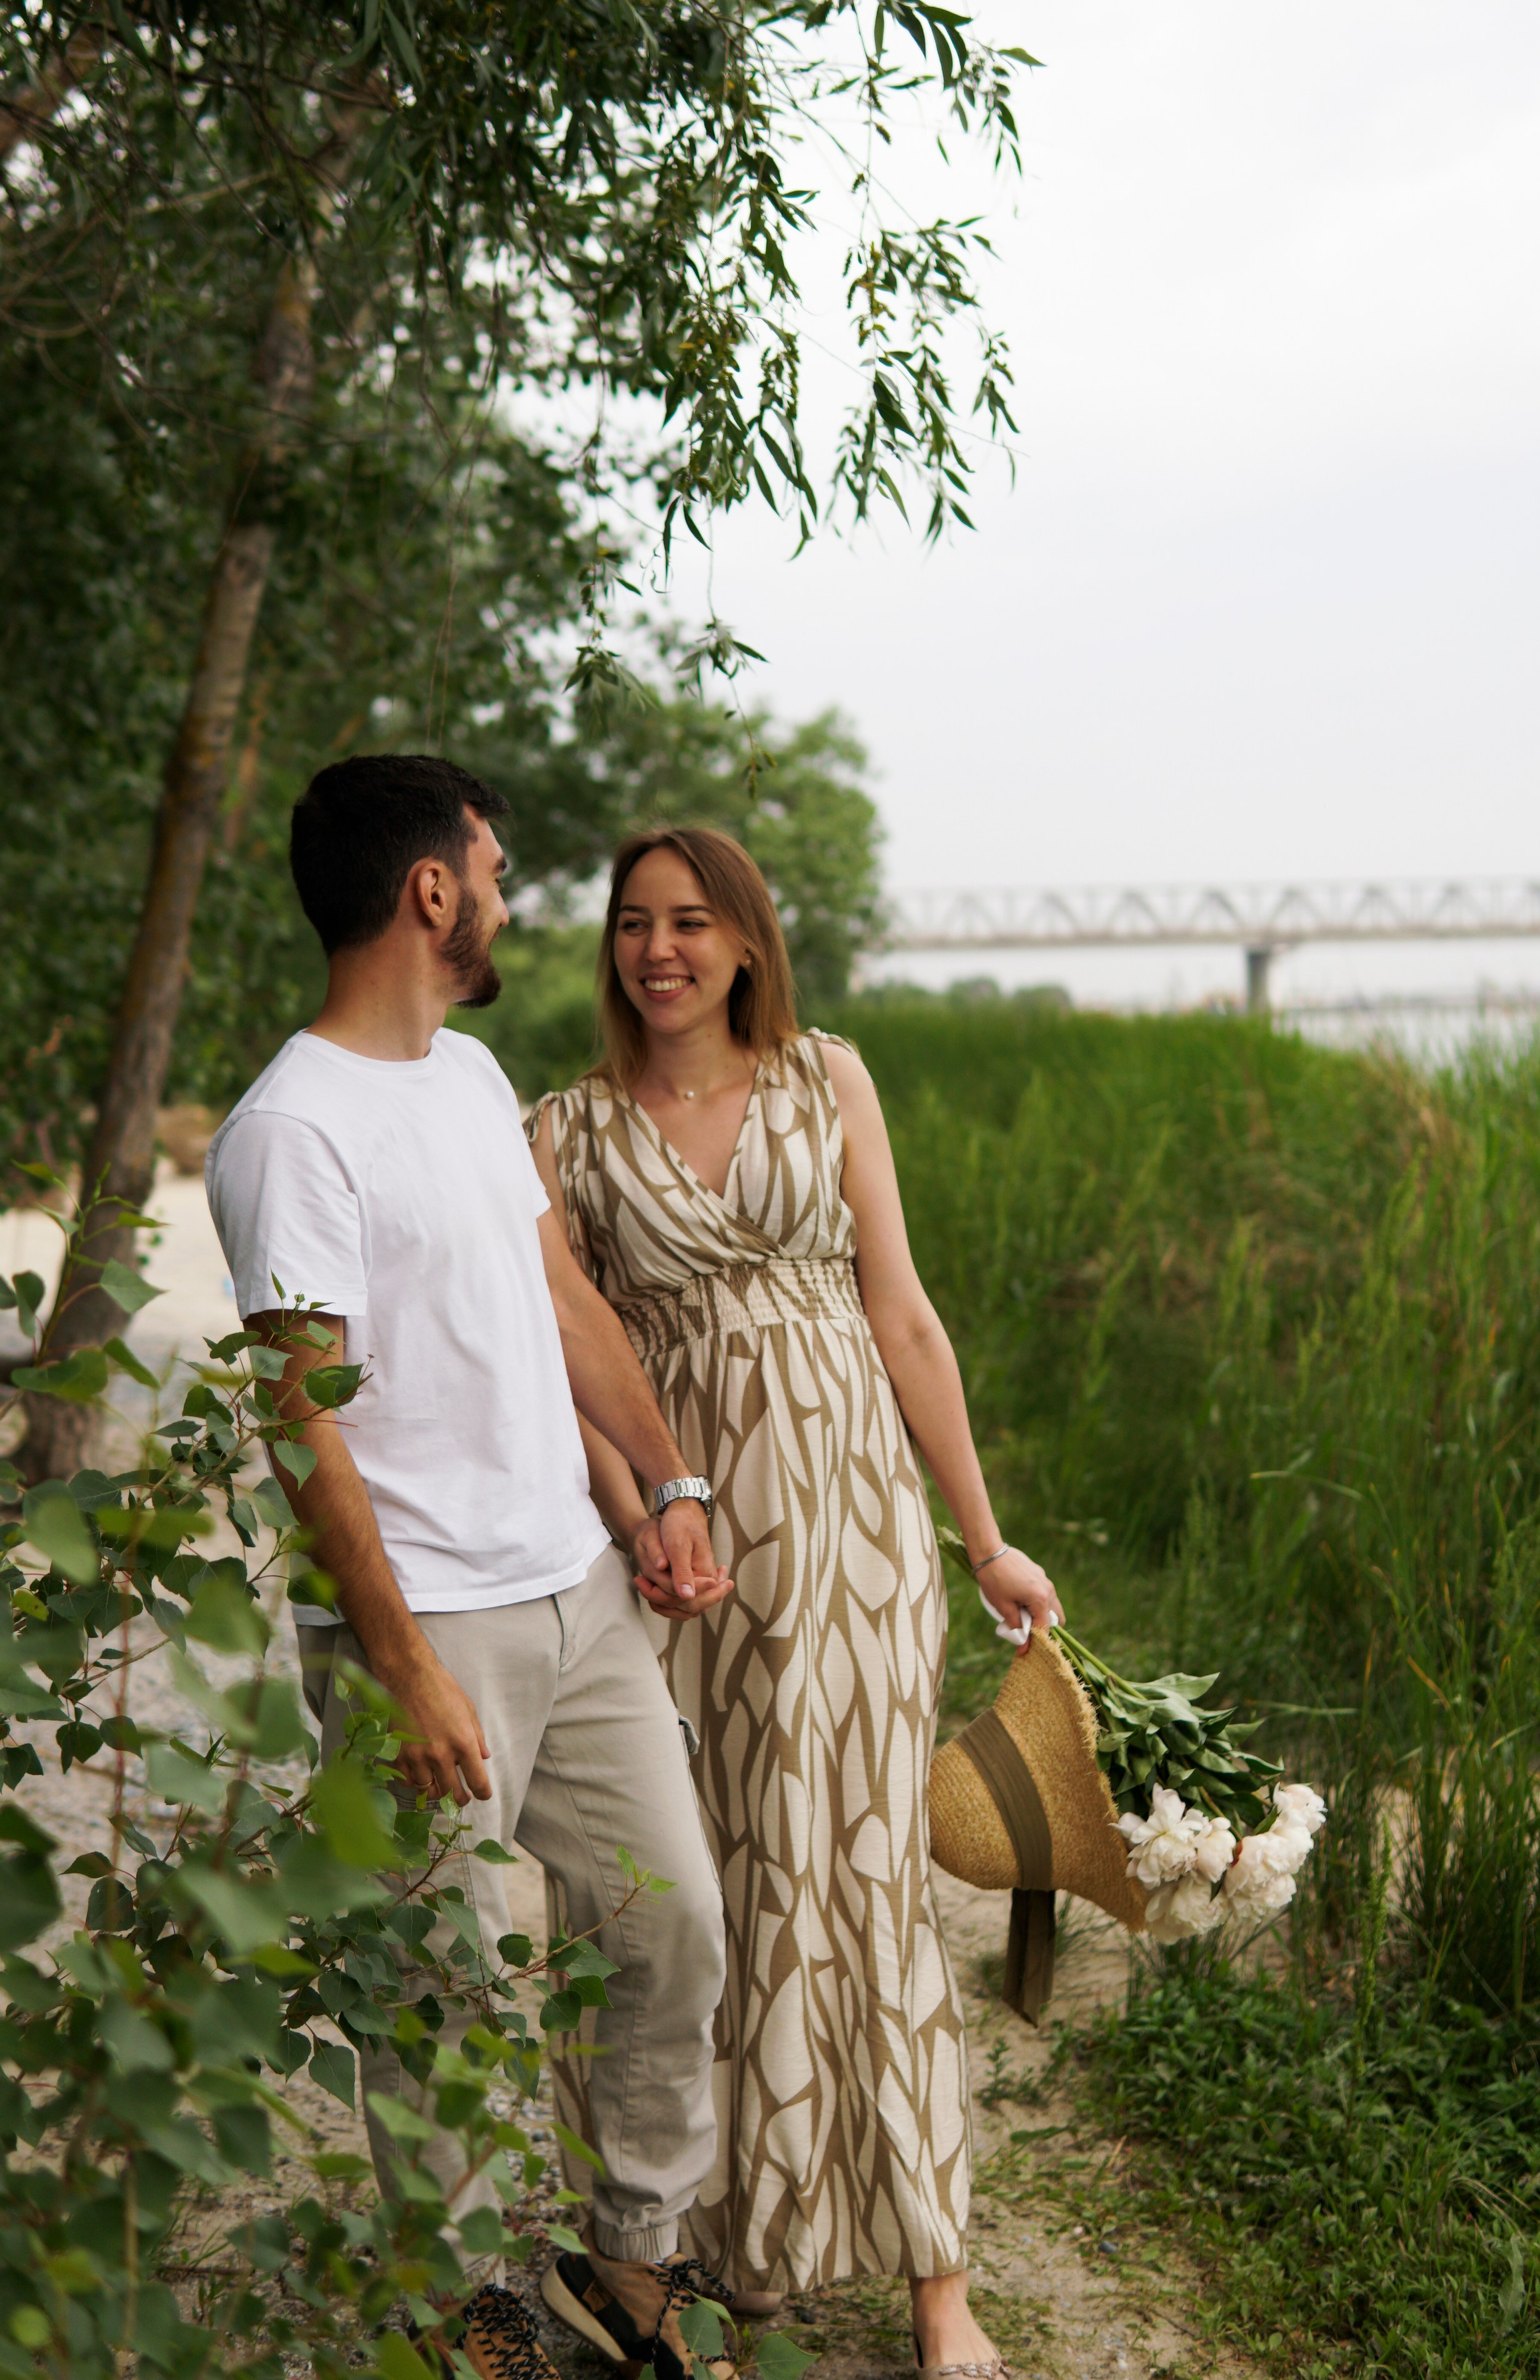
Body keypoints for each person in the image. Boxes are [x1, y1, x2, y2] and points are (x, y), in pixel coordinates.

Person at [204, 758, 739, 2380]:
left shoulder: (468, 1071)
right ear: (430, 890)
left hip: (579, 1597)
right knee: (438, 1997)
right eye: (493, 873)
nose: (506, 902)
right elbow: (300, 1420)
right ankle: (465, 2314)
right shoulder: (290, 1129)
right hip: (426, 1628)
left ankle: (628, 2256)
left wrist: (666, 1482)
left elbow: (561, 1295)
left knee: (671, 1928)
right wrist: (400, 1665)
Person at [527, 828, 1063, 2380]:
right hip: (682, 1548)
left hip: (852, 1536)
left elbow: (903, 1317)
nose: (658, 949)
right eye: (633, 923)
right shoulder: (559, 1132)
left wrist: (982, 1539)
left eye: (691, 921)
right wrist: (637, 1517)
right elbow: (566, 1360)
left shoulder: (827, 1079)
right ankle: (727, 2244)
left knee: (864, 1881)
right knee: (706, 1889)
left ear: (747, 940)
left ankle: (935, 2279)